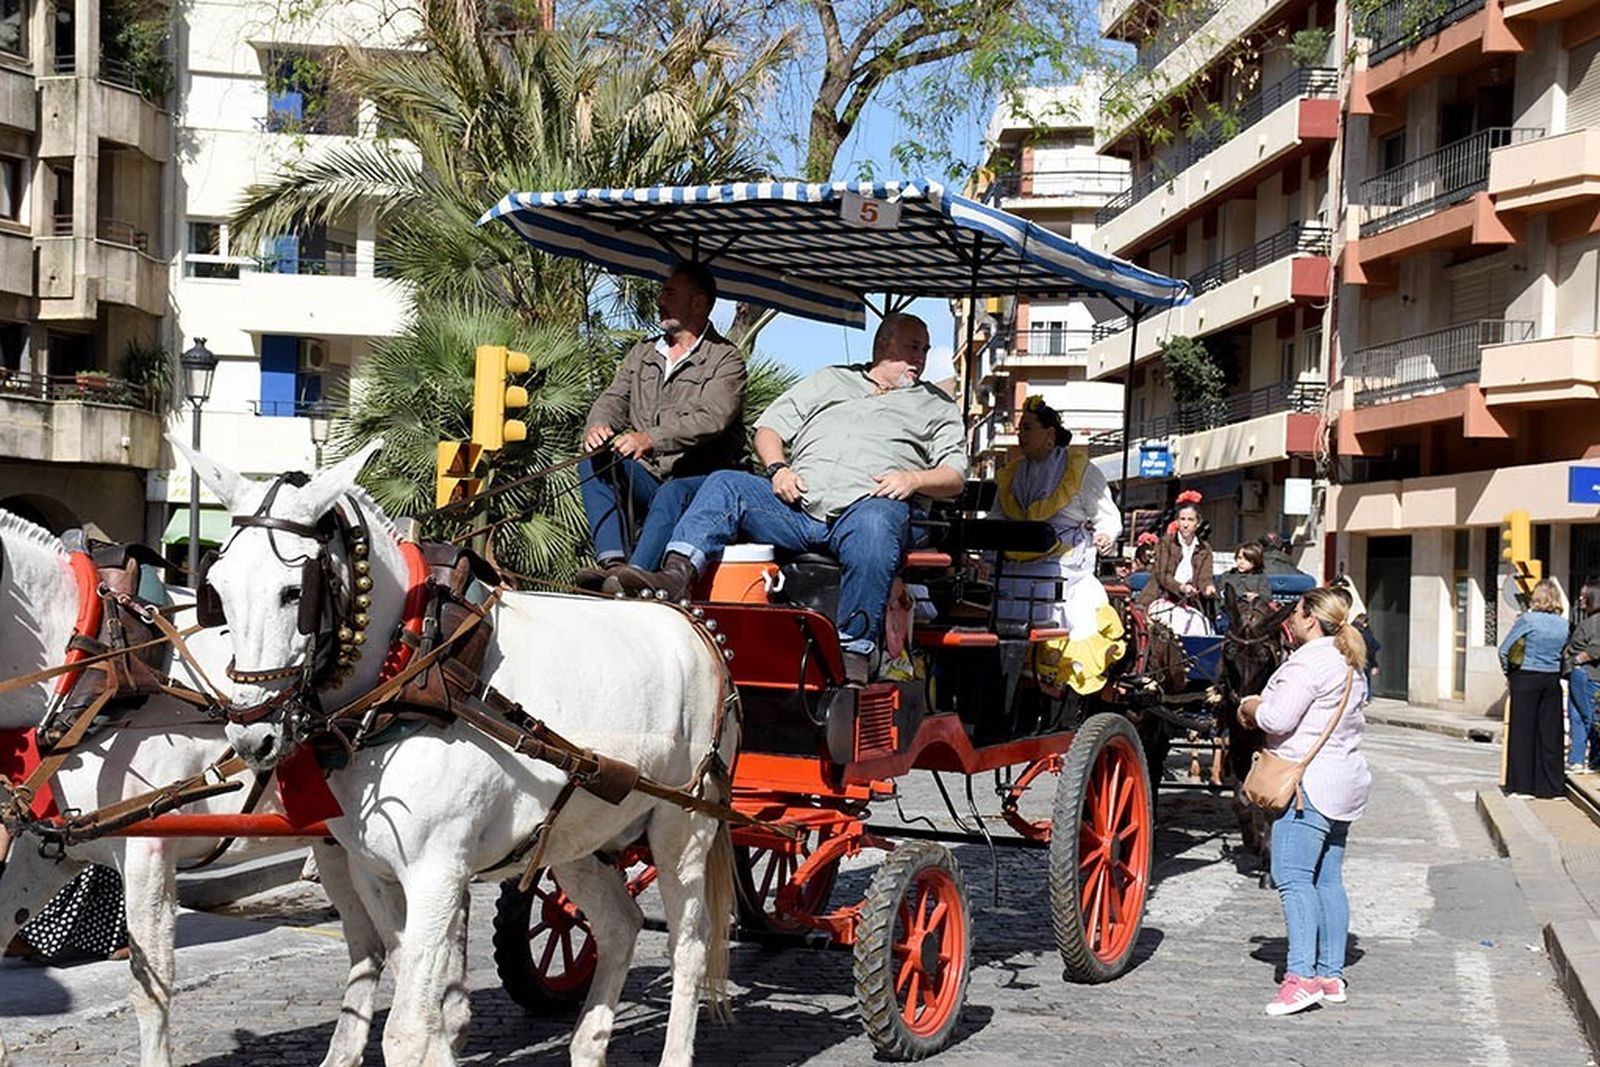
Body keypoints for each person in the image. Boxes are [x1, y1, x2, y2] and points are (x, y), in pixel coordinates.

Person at [603, 312, 966, 685]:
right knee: (727, 483)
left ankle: (854, 649)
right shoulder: (831, 380)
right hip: (799, 505)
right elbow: (769, 428)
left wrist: (913, 478)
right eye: (912, 347)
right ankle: (675, 576)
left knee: (878, 520)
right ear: (884, 344)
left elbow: (955, 475)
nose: (920, 357)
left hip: (867, 507)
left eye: (924, 349)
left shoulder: (936, 405)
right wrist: (778, 469)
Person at [1236, 587, 1370, 1017]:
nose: (1289, 621)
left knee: (1293, 878)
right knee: (1328, 880)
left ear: (1311, 619)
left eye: (1294, 614)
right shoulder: (1350, 661)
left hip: (1306, 785)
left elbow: (1277, 718)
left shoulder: (1309, 661)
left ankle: (1301, 978)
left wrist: (1251, 705)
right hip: (1344, 782)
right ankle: (1330, 974)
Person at [574, 262, 748, 588]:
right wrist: (598, 425)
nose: (660, 300)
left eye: (669, 293)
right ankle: (613, 562)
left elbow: (713, 417)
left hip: (701, 483)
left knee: (672, 492)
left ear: (698, 303)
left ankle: (636, 575)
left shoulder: (726, 359)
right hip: (650, 476)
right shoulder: (642, 353)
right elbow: (614, 397)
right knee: (595, 461)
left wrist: (650, 438)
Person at [991, 395, 1124, 694]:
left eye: (1027, 428)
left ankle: (1060, 678)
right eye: (1019, 429)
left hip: (1067, 566)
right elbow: (997, 517)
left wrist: (1105, 534)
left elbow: (1108, 516)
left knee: (1076, 609)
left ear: (1049, 435)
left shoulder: (1080, 470)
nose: (1020, 435)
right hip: (1014, 563)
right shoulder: (1012, 474)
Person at [1499, 579, 1569, 798]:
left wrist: (1509, 674)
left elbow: (1504, 649)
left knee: (1522, 733)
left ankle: (1522, 786)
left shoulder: (1527, 619)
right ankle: (1552, 787)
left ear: (1536, 597)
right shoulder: (1563, 624)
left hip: (1526, 678)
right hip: (1551, 679)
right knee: (1550, 734)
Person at [1138, 498, 1215, 636]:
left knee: (1199, 626)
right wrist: (1181, 587)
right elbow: (1162, 576)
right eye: (1182, 519)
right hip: (1161, 598)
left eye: (1190, 520)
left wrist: (1208, 588)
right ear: (1177, 522)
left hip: (1189, 603)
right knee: (1172, 625)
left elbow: (1205, 578)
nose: (1185, 524)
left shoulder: (1205, 549)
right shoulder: (1165, 543)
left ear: (1197, 523)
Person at [1566, 580, 1600, 774]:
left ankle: (1595, 759)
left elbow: (1596, 648)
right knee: (1577, 717)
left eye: (1583, 595)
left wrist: (1577, 660)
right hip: (1582, 675)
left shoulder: (1595, 622)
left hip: (1588, 674)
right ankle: (1577, 759)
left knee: (1589, 718)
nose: (1580, 598)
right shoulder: (1589, 620)